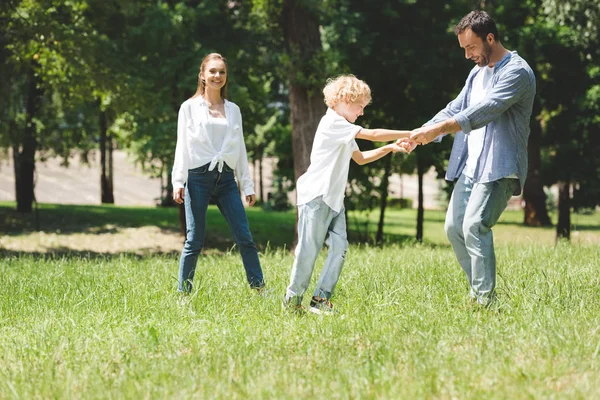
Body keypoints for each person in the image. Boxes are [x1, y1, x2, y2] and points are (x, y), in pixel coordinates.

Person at [406, 10, 536, 306]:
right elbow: (456, 107)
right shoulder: (477, 71)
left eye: (471, 47)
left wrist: (439, 129)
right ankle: (480, 291)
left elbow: (483, 111)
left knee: (475, 226)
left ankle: (483, 303)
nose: (467, 54)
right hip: (473, 166)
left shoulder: (516, 72)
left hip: (500, 167)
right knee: (454, 228)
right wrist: (422, 132)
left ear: (490, 38)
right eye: (464, 48)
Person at [283, 74, 412, 314]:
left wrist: (390, 147)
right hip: (317, 197)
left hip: (334, 200)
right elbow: (371, 134)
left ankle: (320, 300)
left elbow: (360, 158)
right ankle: (292, 301)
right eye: (360, 106)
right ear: (344, 99)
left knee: (340, 247)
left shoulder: (344, 129)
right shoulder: (333, 123)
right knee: (308, 251)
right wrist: (411, 132)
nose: (362, 112)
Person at [172, 53, 264, 294]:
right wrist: (178, 181)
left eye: (222, 72)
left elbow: (240, 148)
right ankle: (184, 294)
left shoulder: (233, 110)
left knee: (245, 238)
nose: (217, 76)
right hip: (198, 178)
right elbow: (182, 146)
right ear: (202, 75)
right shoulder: (188, 108)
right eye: (212, 71)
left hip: (226, 179)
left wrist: (248, 185)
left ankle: (259, 289)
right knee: (194, 241)